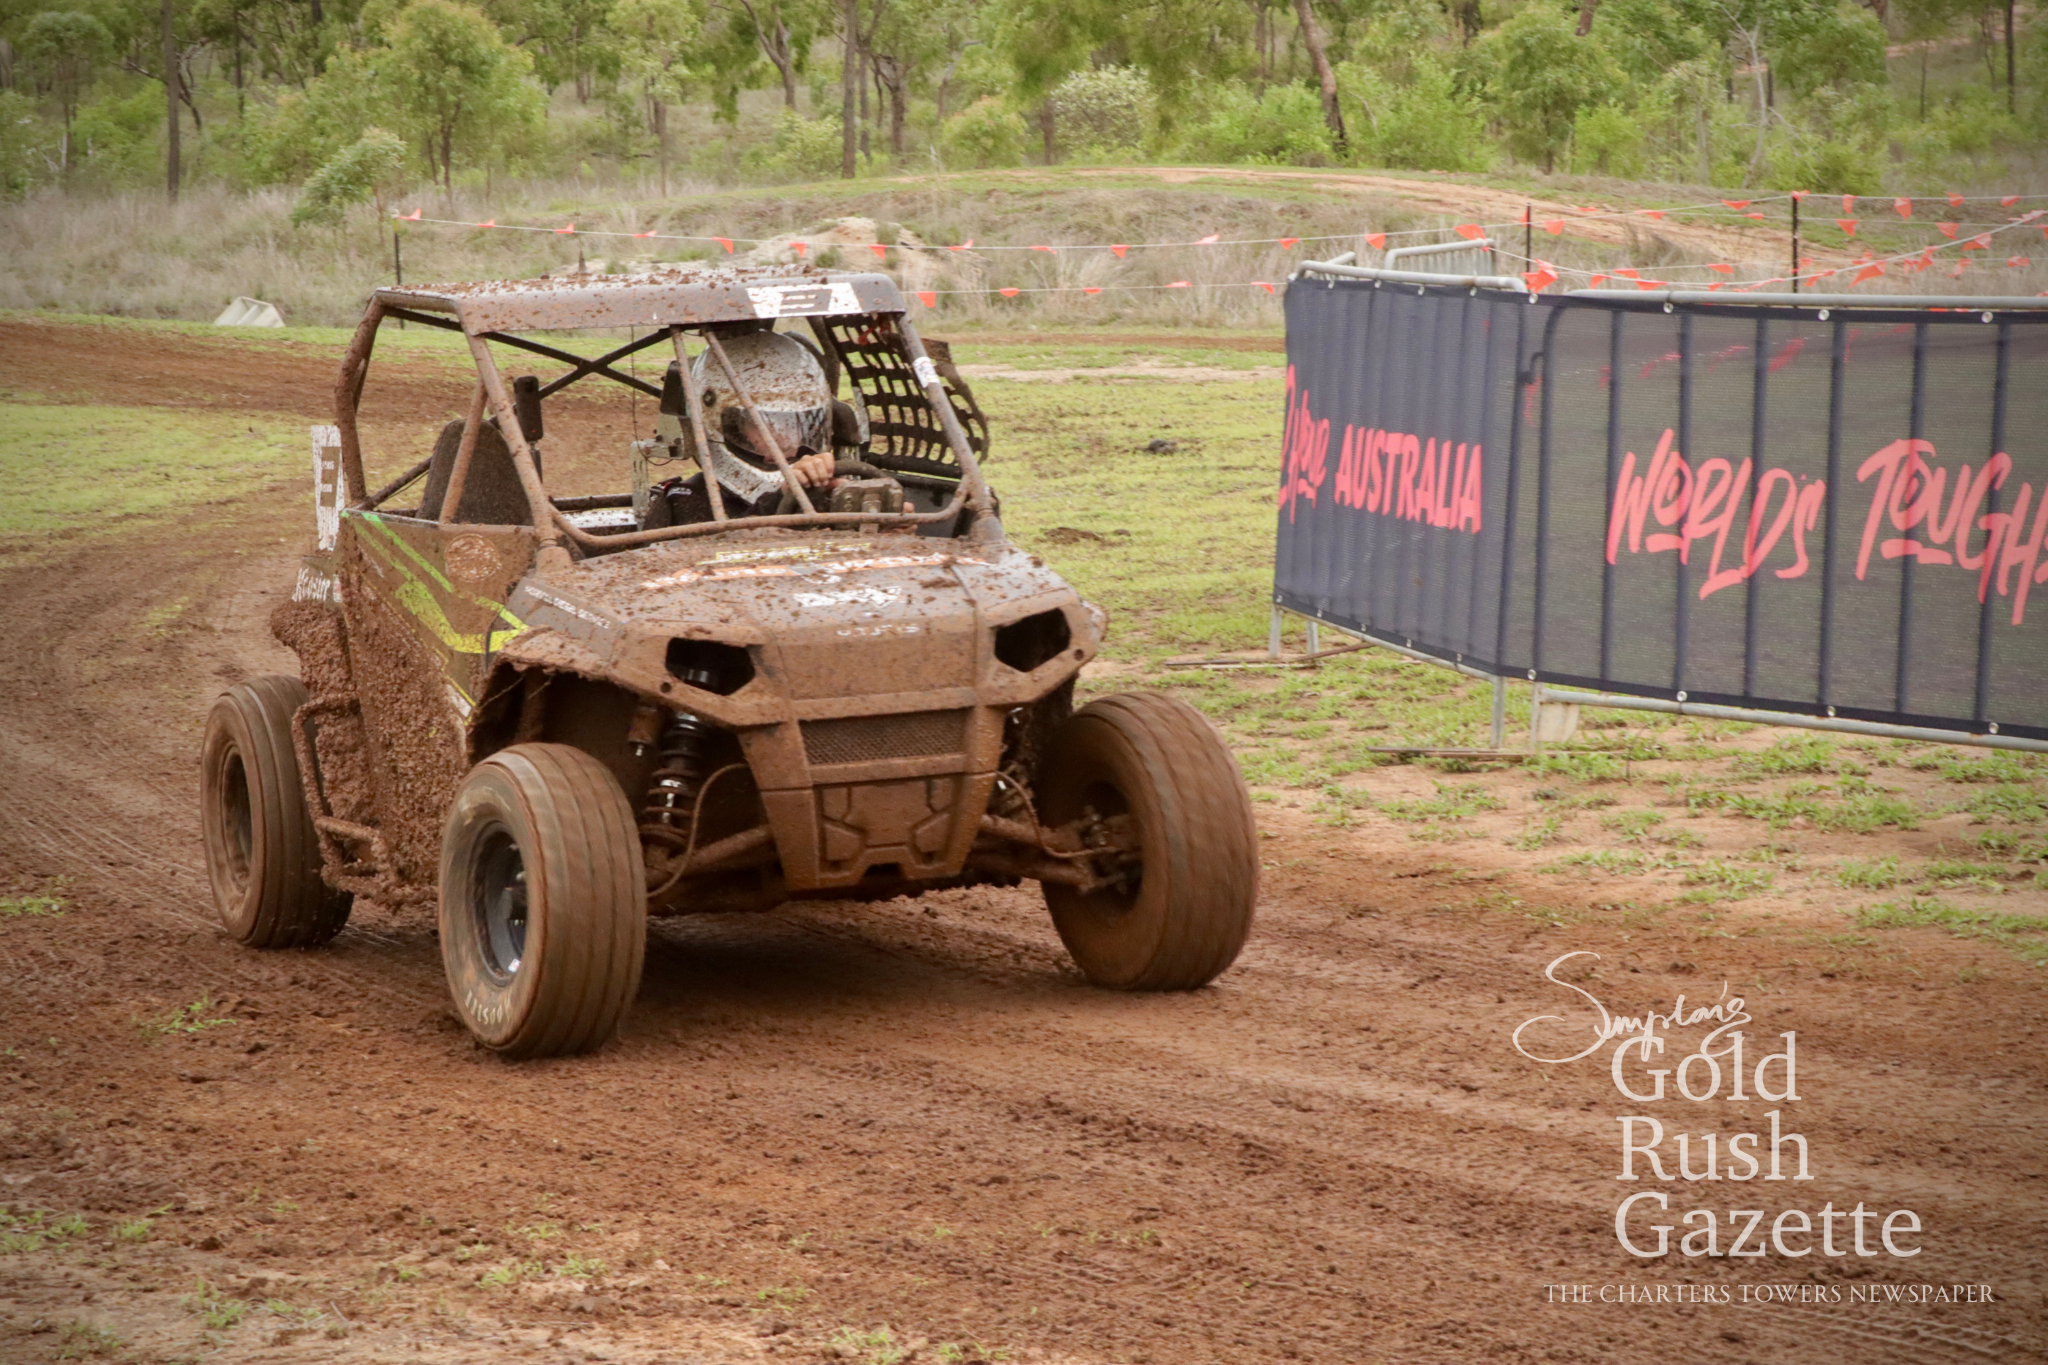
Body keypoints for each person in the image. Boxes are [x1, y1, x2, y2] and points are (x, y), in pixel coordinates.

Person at [642, 328, 850, 528]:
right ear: (723, 426)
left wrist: (842, 500)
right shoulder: (682, 502)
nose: (789, 441)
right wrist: (781, 498)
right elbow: (726, 547)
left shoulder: (829, 491)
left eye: (801, 425)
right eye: (768, 425)